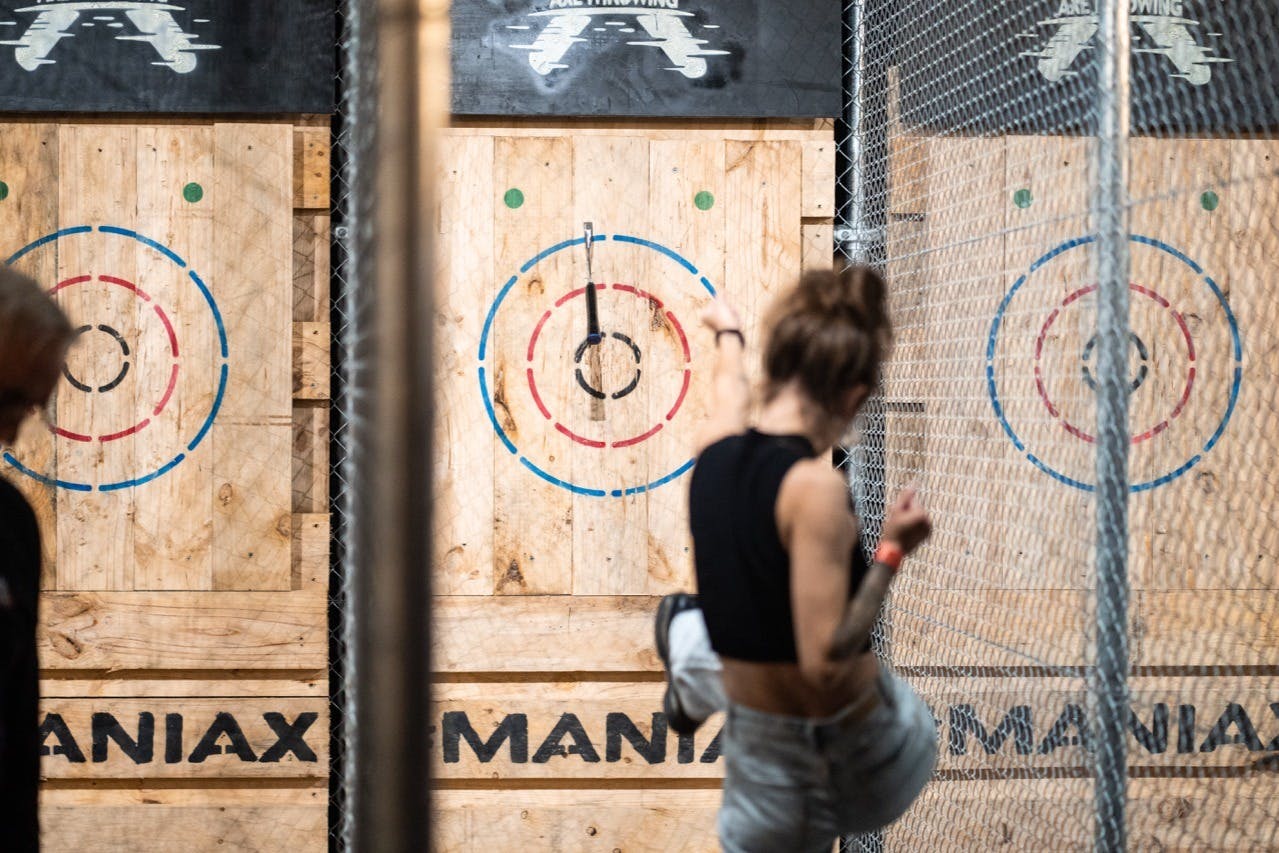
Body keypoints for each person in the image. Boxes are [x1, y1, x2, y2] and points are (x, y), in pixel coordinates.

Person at [654, 266, 937, 852]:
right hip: (863, 753)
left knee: (695, 621)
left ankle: (692, 669)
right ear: (854, 396)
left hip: (753, 746)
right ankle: (693, 664)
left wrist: (727, 332)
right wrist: (890, 551)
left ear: (777, 366)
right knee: (902, 714)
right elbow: (825, 667)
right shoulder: (815, 489)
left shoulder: (712, 450)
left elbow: (729, 389)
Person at [0, 265, 73, 853]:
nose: (13, 435)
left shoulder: (10, 522)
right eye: (14, 402)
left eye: (31, 409)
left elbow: (18, 725)